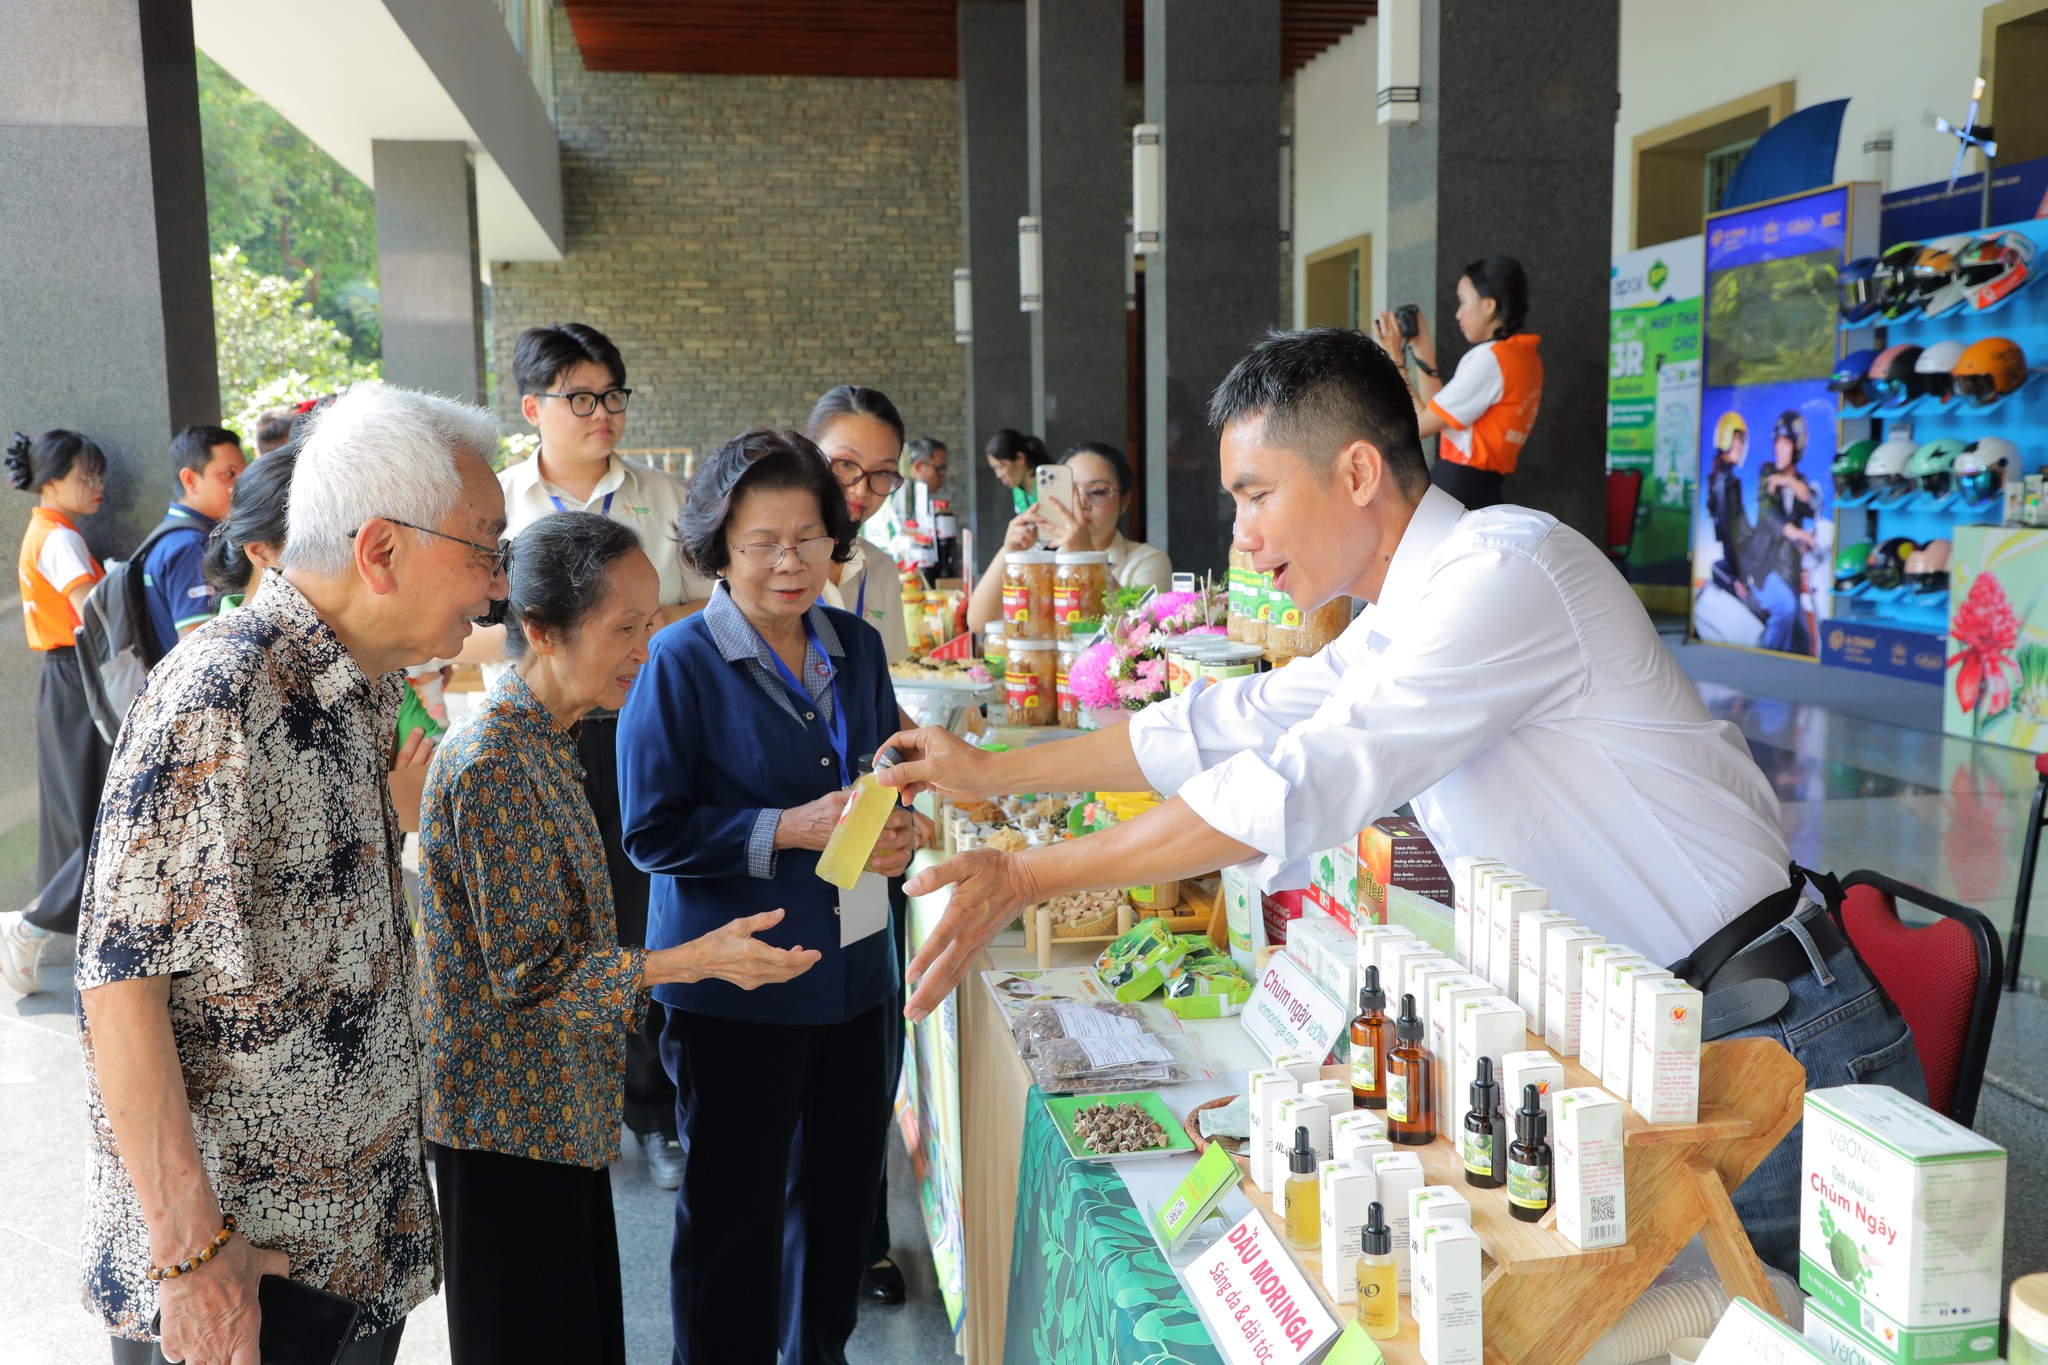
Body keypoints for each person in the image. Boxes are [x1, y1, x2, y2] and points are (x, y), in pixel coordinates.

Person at [879, 327, 1923, 1276]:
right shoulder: (1401, 611)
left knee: (1753, 1331)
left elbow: (1294, 784)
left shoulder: (1500, 576)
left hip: (1767, 1046)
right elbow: (1228, 724)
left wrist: (1024, 874)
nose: (1239, 536)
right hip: (1648, 1044)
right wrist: (990, 772)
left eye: (1252, 494)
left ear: (1357, 470)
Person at [76, 382, 509, 1365]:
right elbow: (121, 988)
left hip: (351, 1242)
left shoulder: (363, 683)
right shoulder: (222, 694)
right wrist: (193, 1258)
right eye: (483, 549)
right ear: (381, 551)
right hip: (249, 1269)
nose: (495, 585)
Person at [418, 511, 819, 1365]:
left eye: (652, 623)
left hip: (554, 1106)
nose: (647, 648)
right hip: (504, 1120)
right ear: (540, 630)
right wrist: (695, 960)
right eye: (625, 628)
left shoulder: (551, 737)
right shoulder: (494, 759)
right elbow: (531, 975)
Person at [617, 428, 917, 1364]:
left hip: (857, 973)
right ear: (718, 546)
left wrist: (896, 831)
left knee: (835, 1215)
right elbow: (652, 831)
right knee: (733, 1224)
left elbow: (875, 783)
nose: (790, 563)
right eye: (762, 542)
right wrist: (786, 826)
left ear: (837, 538)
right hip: (737, 982)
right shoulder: (679, 662)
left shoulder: (857, 646)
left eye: (809, 537)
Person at [465, 321, 715, 1190]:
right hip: (539, 729)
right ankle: (574, 1099)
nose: (602, 412)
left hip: (641, 725)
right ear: (533, 408)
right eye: (581, 397)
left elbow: (708, 612)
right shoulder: (495, 504)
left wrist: (630, 630)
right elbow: (469, 630)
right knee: (552, 921)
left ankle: (652, 1110)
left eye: (612, 394)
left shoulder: (663, 497)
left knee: (635, 904)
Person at [201, 444, 441, 828]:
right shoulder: (219, 672)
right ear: (259, 552)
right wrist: (383, 790)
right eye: (310, 544)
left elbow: (438, 777)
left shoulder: (359, 649)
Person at [2, 430, 112, 995]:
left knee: (81, 814)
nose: (96, 486)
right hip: (77, 674)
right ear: (51, 482)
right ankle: (31, 924)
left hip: (65, 676)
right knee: (98, 817)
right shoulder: (59, 539)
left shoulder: (49, 531)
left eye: (98, 475)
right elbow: (92, 614)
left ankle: (37, 923)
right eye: (84, 476)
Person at [1372, 255, 1540, 510]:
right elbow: (1437, 411)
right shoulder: (1526, 357)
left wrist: (1395, 358)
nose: (1458, 313)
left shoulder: (1490, 359)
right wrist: (1422, 346)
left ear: (1489, 306)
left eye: (1463, 302)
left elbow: (1420, 424)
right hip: (1485, 489)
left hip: (1457, 486)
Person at [965, 441, 1173, 632]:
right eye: (1070, 492)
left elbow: (1143, 633)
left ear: (1125, 501)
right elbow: (979, 623)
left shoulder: (1147, 561)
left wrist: (1087, 559)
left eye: (1098, 491)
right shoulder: (1039, 559)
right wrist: (1009, 552)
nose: (1081, 504)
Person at [808, 384, 913, 664]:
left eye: (882, 472)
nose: (862, 489)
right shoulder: (766, 563)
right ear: (807, 456)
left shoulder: (880, 570)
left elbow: (892, 681)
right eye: (845, 463)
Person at [142, 424, 247, 656]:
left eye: (244, 472)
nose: (241, 484)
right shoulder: (191, 545)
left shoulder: (173, 536)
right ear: (190, 480)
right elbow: (199, 648)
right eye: (229, 474)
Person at [1745, 410, 1817, 654]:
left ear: (1796, 446)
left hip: (1789, 571)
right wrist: (1795, 533)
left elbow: (1810, 502)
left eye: (1785, 442)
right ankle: (1767, 660)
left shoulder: (1800, 481)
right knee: (1785, 608)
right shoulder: (1766, 472)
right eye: (1777, 441)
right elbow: (1767, 514)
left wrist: (1787, 481)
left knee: (1804, 643)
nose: (1779, 448)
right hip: (1764, 566)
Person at [984, 428, 1051, 515]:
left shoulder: (1050, 484)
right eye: (995, 469)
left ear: (1020, 458)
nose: (998, 475)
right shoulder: (1017, 490)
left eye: (1001, 466)